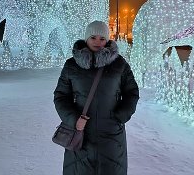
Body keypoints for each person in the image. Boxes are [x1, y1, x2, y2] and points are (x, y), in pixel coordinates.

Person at [54, 20, 139, 175]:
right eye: (93, 37)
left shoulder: (119, 64)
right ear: (86, 38)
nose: (97, 42)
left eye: (102, 38)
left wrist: (120, 117)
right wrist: (73, 120)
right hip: (81, 135)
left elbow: (132, 92)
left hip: (111, 136)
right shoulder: (72, 65)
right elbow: (61, 96)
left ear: (107, 40)